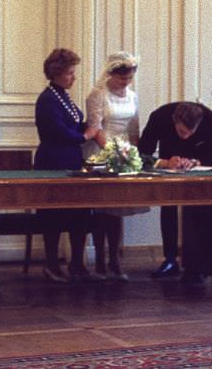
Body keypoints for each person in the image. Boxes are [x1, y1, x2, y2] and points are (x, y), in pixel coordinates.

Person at [34, 48, 102, 283]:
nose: (74, 77)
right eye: (70, 73)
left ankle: (77, 263)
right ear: (56, 73)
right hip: (52, 160)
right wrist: (87, 135)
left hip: (71, 159)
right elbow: (59, 132)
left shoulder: (62, 95)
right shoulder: (47, 99)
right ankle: (52, 264)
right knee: (53, 214)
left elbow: (74, 124)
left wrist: (92, 125)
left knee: (79, 212)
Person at [138, 101, 212, 279]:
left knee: (198, 211)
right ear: (174, 121)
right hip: (168, 165)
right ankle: (170, 259)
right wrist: (164, 163)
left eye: (190, 133)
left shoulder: (209, 119)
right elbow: (141, 153)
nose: (185, 137)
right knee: (168, 208)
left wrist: (195, 162)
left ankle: (197, 263)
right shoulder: (159, 117)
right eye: (181, 132)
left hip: (196, 171)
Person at [83, 52, 148, 281]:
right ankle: (100, 260)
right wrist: (112, 153)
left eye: (129, 79)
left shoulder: (133, 96)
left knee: (117, 210)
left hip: (125, 153)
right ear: (110, 74)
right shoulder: (97, 95)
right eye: (122, 78)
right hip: (102, 153)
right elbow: (96, 127)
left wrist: (131, 154)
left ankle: (115, 260)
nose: (125, 83)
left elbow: (134, 129)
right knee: (102, 209)